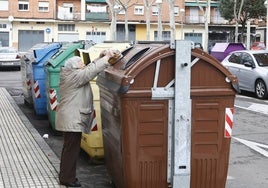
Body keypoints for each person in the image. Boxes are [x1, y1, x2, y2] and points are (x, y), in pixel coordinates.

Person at [55, 49, 122, 187]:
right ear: (74, 66)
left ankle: (65, 175)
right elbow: (89, 72)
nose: (83, 63)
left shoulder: (72, 74)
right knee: (71, 150)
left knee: (69, 148)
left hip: (70, 118)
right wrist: (107, 57)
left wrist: (100, 57)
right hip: (71, 118)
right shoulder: (74, 77)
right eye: (80, 62)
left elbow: (90, 67)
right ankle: (67, 179)